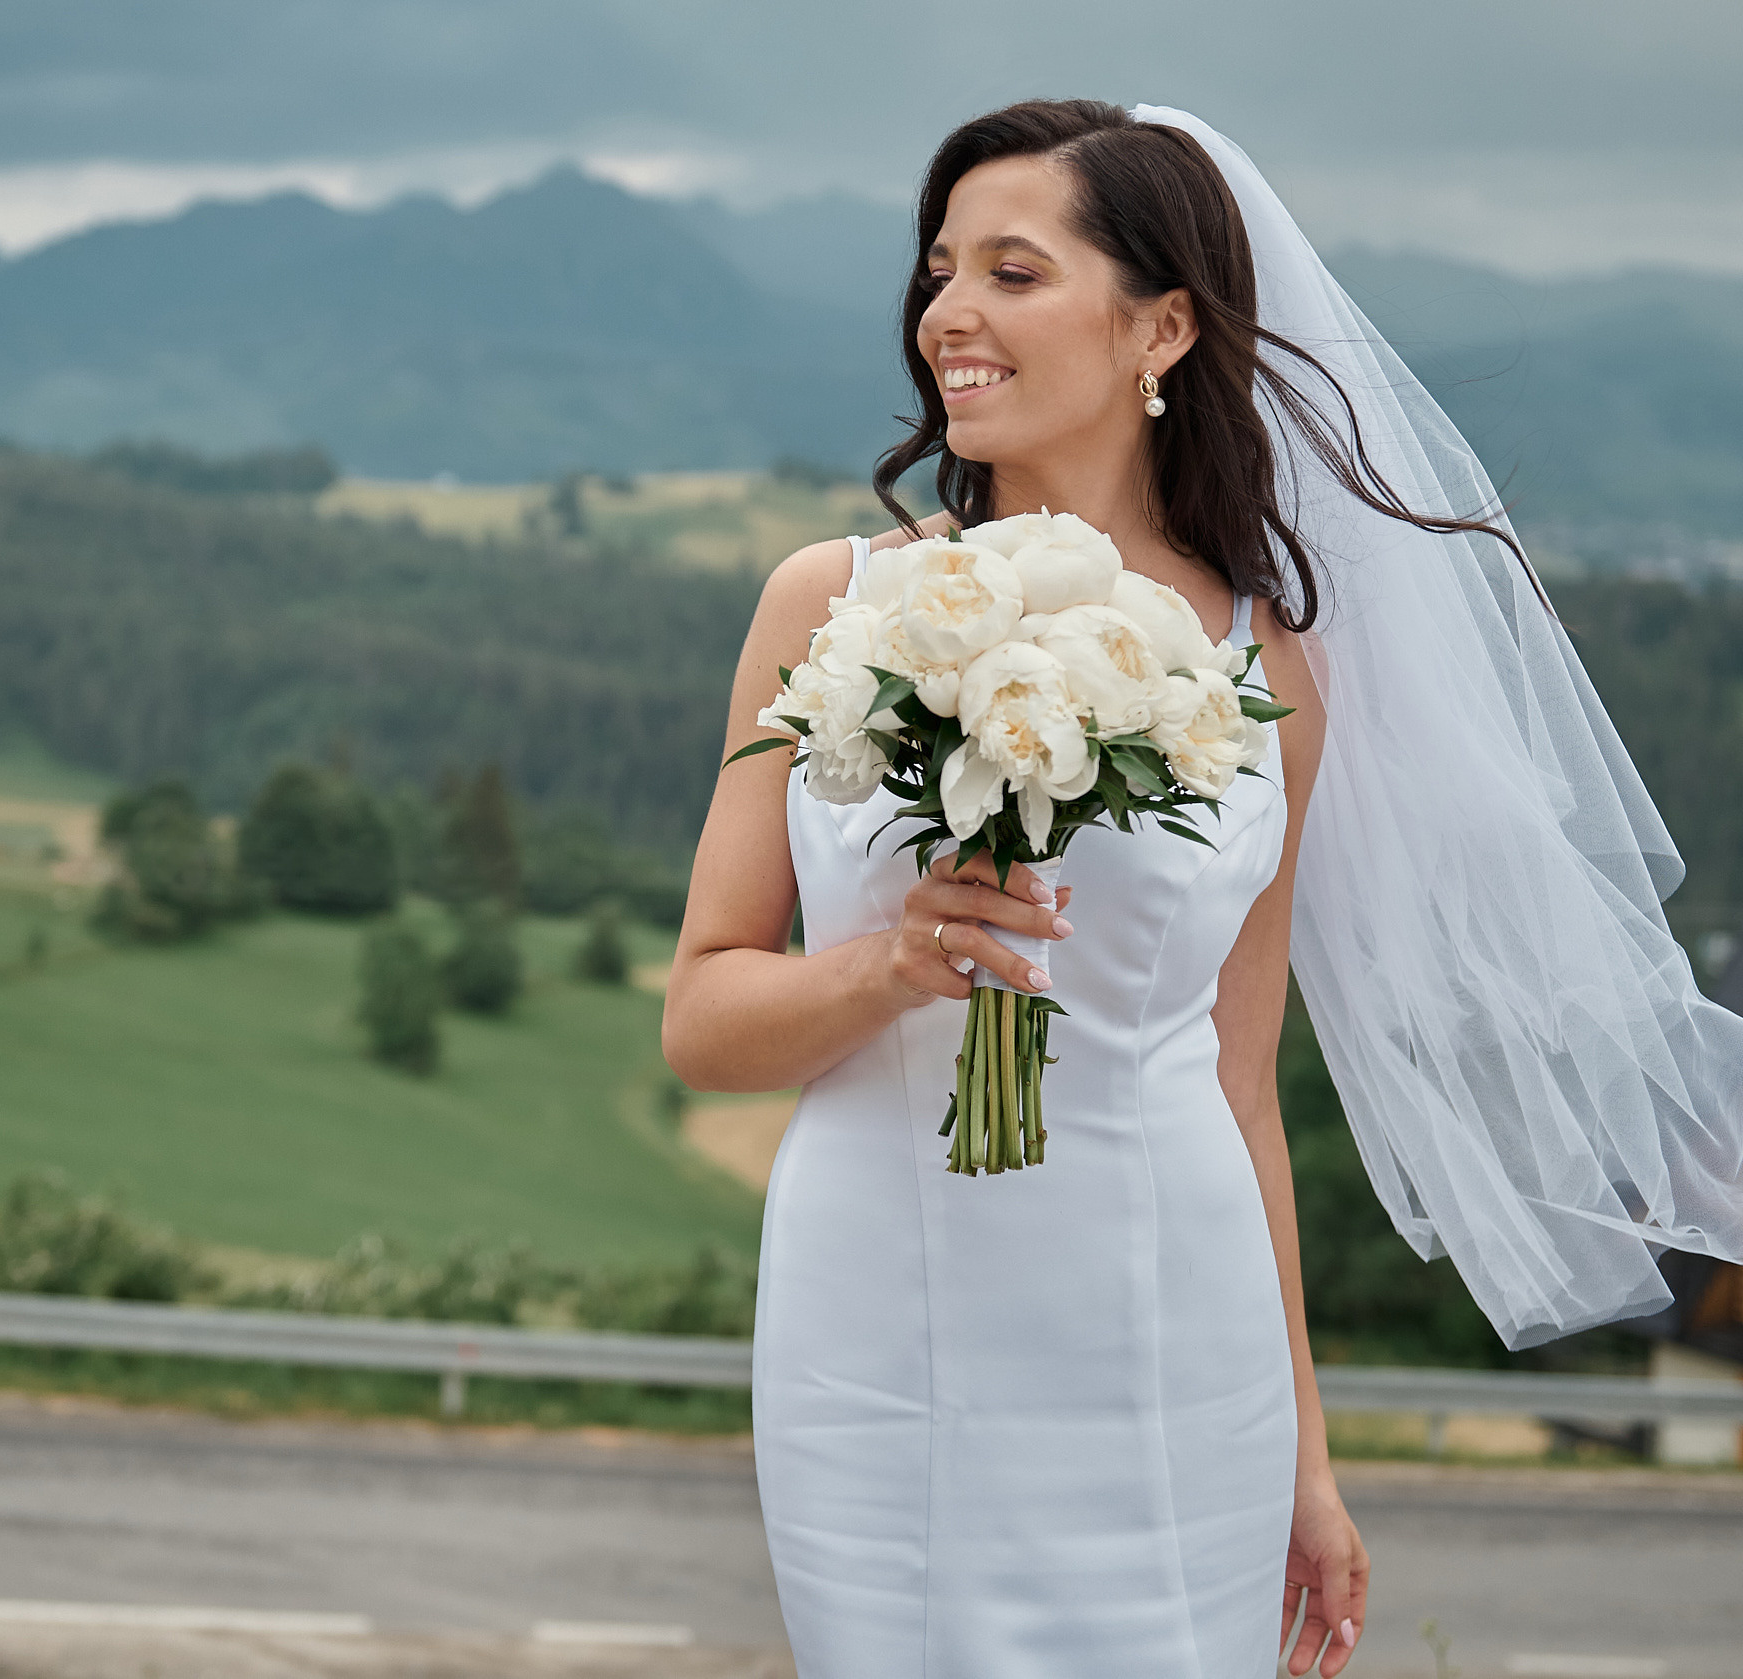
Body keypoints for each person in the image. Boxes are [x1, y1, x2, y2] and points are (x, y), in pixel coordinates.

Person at [662, 99, 1743, 1679]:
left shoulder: (1269, 672)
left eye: (1012, 271)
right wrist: (886, 969)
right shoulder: (826, 607)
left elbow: (1240, 1090)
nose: (948, 313)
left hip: (1174, 1325)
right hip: (872, 1326)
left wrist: (1303, 1450)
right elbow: (701, 1016)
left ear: (1161, 324)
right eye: (937, 271)